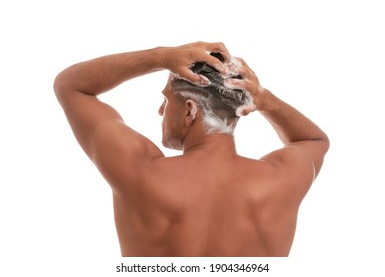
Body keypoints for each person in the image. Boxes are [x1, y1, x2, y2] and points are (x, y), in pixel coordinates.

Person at [54, 41, 329, 257]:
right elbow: (315, 141)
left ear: (189, 110)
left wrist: (161, 57)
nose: (161, 110)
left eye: (166, 100)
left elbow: (71, 86)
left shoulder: (140, 172)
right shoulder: (280, 180)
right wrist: (264, 99)